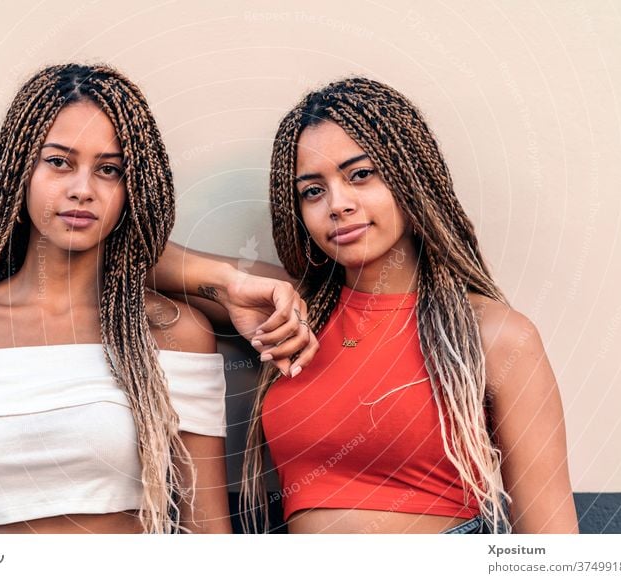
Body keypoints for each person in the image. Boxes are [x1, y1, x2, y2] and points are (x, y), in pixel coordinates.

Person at [0, 63, 315, 534]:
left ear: (131, 191)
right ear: (20, 173)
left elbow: (208, 537)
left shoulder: (171, 334)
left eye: (108, 170)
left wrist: (221, 281)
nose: (83, 190)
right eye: (59, 162)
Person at [241, 78, 579, 534]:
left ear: (408, 178)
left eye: (360, 174)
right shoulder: (292, 312)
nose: (337, 204)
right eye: (313, 191)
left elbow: (551, 542)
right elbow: (145, 256)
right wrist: (228, 287)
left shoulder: (495, 335)